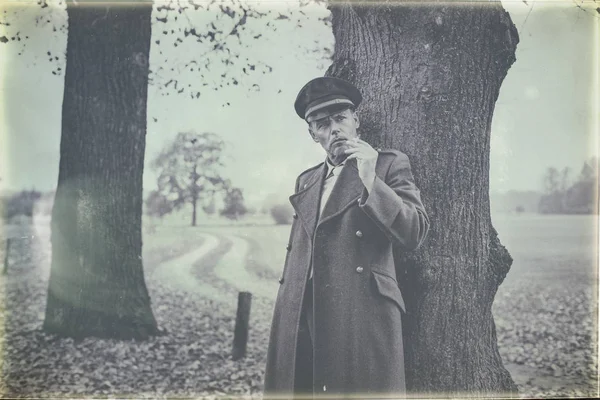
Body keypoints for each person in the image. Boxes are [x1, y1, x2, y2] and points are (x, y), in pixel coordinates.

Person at [263, 76, 430, 399]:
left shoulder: (387, 165)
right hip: (302, 312)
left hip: (359, 313)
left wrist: (370, 179)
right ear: (313, 134)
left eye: (340, 118)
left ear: (356, 120)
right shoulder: (307, 180)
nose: (334, 129)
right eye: (322, 124)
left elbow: (415, 232)